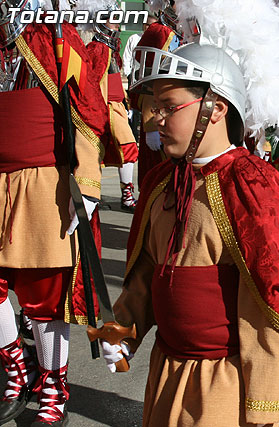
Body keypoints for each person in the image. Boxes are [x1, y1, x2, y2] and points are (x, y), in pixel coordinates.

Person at [101, 1, 279, 425]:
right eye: (155, 106)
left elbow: (274, 302)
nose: (155, 118)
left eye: (169, 106)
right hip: (167, 374)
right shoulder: (162, 183)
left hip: (228, 384)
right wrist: (124, 330)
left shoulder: (250, 184)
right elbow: (149, 273)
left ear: (216, 109)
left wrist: (268, 402)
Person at [0, 0, 114, 424]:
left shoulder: (56, 36)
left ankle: (53, 387)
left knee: (44, 298)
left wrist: (85, 185)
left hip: (45, 184)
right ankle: (17, 365)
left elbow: (87, 113)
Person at [86, 11, 139, 212]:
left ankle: (127, 194)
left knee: (128, 149)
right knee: (100, 152)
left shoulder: (111, 47)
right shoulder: (96, 48)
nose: (116, 26)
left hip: (117, 106)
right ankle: (92, 194)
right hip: (104, 107)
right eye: (112, 21)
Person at [131, 1, 182, 188]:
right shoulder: (160, 31)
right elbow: (151, 82)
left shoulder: (181, 30)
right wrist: (150, 125)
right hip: (158, 110)